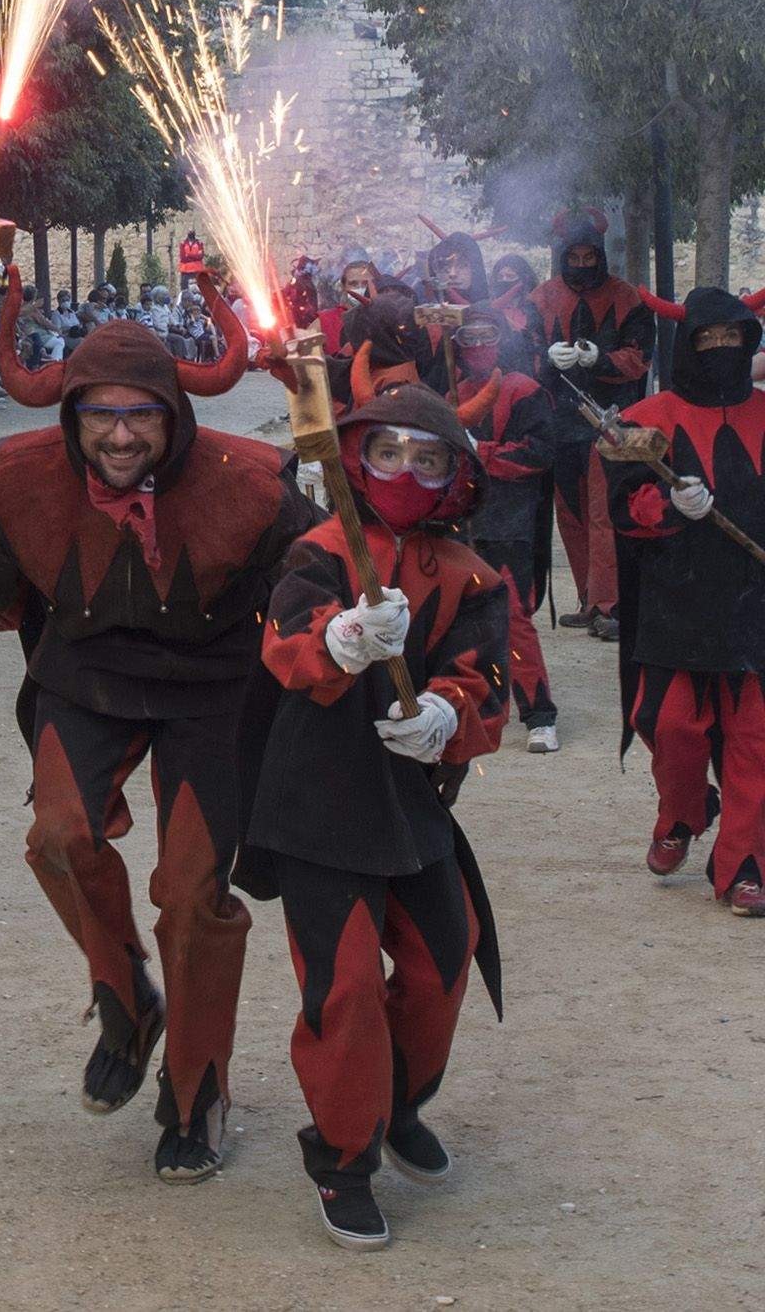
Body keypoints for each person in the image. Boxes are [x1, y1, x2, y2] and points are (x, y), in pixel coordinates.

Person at [0, 269, 310, 1183]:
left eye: (141, 415)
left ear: (175, 414)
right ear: (71, 415)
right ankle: (127, 997)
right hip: (85, 681)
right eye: (100, 414)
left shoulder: (254, 487)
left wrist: (350, 627)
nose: (120, 435)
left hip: (215, 693)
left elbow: (321, 581)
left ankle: (198, 1089)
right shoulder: (20, 485)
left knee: (192, 893)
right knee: (58, 836)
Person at [239, 386, 509, 1250]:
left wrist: (446, 714)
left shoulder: (472, 575)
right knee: (346, 988)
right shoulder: (317, 551)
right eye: (388, 452)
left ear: (454, 475)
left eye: (427, 459)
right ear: (357, 458)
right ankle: (344, 1158)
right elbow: (285, 643)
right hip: (315, 801)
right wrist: (342, 638)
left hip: (408, 801)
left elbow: (486, 679)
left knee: (445, 960)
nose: (404, 471)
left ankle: (398, 1102)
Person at [604, 285, 765, 916]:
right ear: (687, 345)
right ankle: (685, 809)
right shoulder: (646, 418)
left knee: (754, 740)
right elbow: (623, 503)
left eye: (733, 337)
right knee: (669, 726)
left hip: (755, 607)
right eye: (708, 339)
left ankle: (745, 864)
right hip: (678, 603)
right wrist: (668, 504)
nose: (721, 349)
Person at [532, 213, 654, 641]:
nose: (582, 264)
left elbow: (640, 357)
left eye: (589, 257)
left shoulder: (626, 297)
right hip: (559, 421)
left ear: (600, 256)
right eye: (575, 257)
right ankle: (589, 598)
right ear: (563, 256)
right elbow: (525, 353)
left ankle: (611, 604)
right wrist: (547, 359)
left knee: (605, 512)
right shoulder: (542, 297)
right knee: (570, 512)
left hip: (611, 419)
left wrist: (599, 359)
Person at [449, 309, 559, 750]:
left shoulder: (524, 390)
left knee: (514, 617)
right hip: (464, 522)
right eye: (468, 338)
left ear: (502, 339)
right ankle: (476, 708)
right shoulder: (453, 392)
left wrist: (483, 452)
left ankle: (540, 716)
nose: (478, 346)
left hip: (511, 521)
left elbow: (539, 454)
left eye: (486, 336)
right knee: (463, 620)